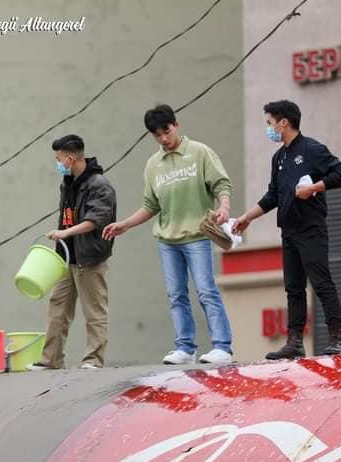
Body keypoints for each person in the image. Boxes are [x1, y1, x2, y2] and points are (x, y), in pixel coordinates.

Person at [102, 104, 234, 366]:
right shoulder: (153, 165)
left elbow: (221, 183)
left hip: (196, 236)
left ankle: (222, 347)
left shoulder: (199, 152)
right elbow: (151, 205)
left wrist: (224, 207)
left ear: (176, 125)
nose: (164, 138)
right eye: (157, 135)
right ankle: (185, 348)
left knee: (206, 291)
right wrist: (125, 224)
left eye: (167, 130)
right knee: (176, 295)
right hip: (167, 241)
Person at [231, 99, 341, 358]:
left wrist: (314, 188)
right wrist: (246, 218)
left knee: (321, 283)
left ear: (283, 122)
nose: (269, 129)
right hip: (289, 230)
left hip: (311, 228)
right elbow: (272, 196)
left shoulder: (312, 149)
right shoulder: (279, 158)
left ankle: (336, 337)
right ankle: (295, 342)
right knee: (293, 287)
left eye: (270, 123)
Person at [28, 134, 116, 371]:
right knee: (57, 307)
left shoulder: (99, 185)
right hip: (67, 258)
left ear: (70, 157)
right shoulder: (68, 183)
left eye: (58, 158)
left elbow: (95, 220)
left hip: (90, 258)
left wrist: (65, 234)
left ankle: (93, 360)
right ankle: (51, 359)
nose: (57, 163)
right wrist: (61, 238)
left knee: (94, 311)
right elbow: (67, 217)